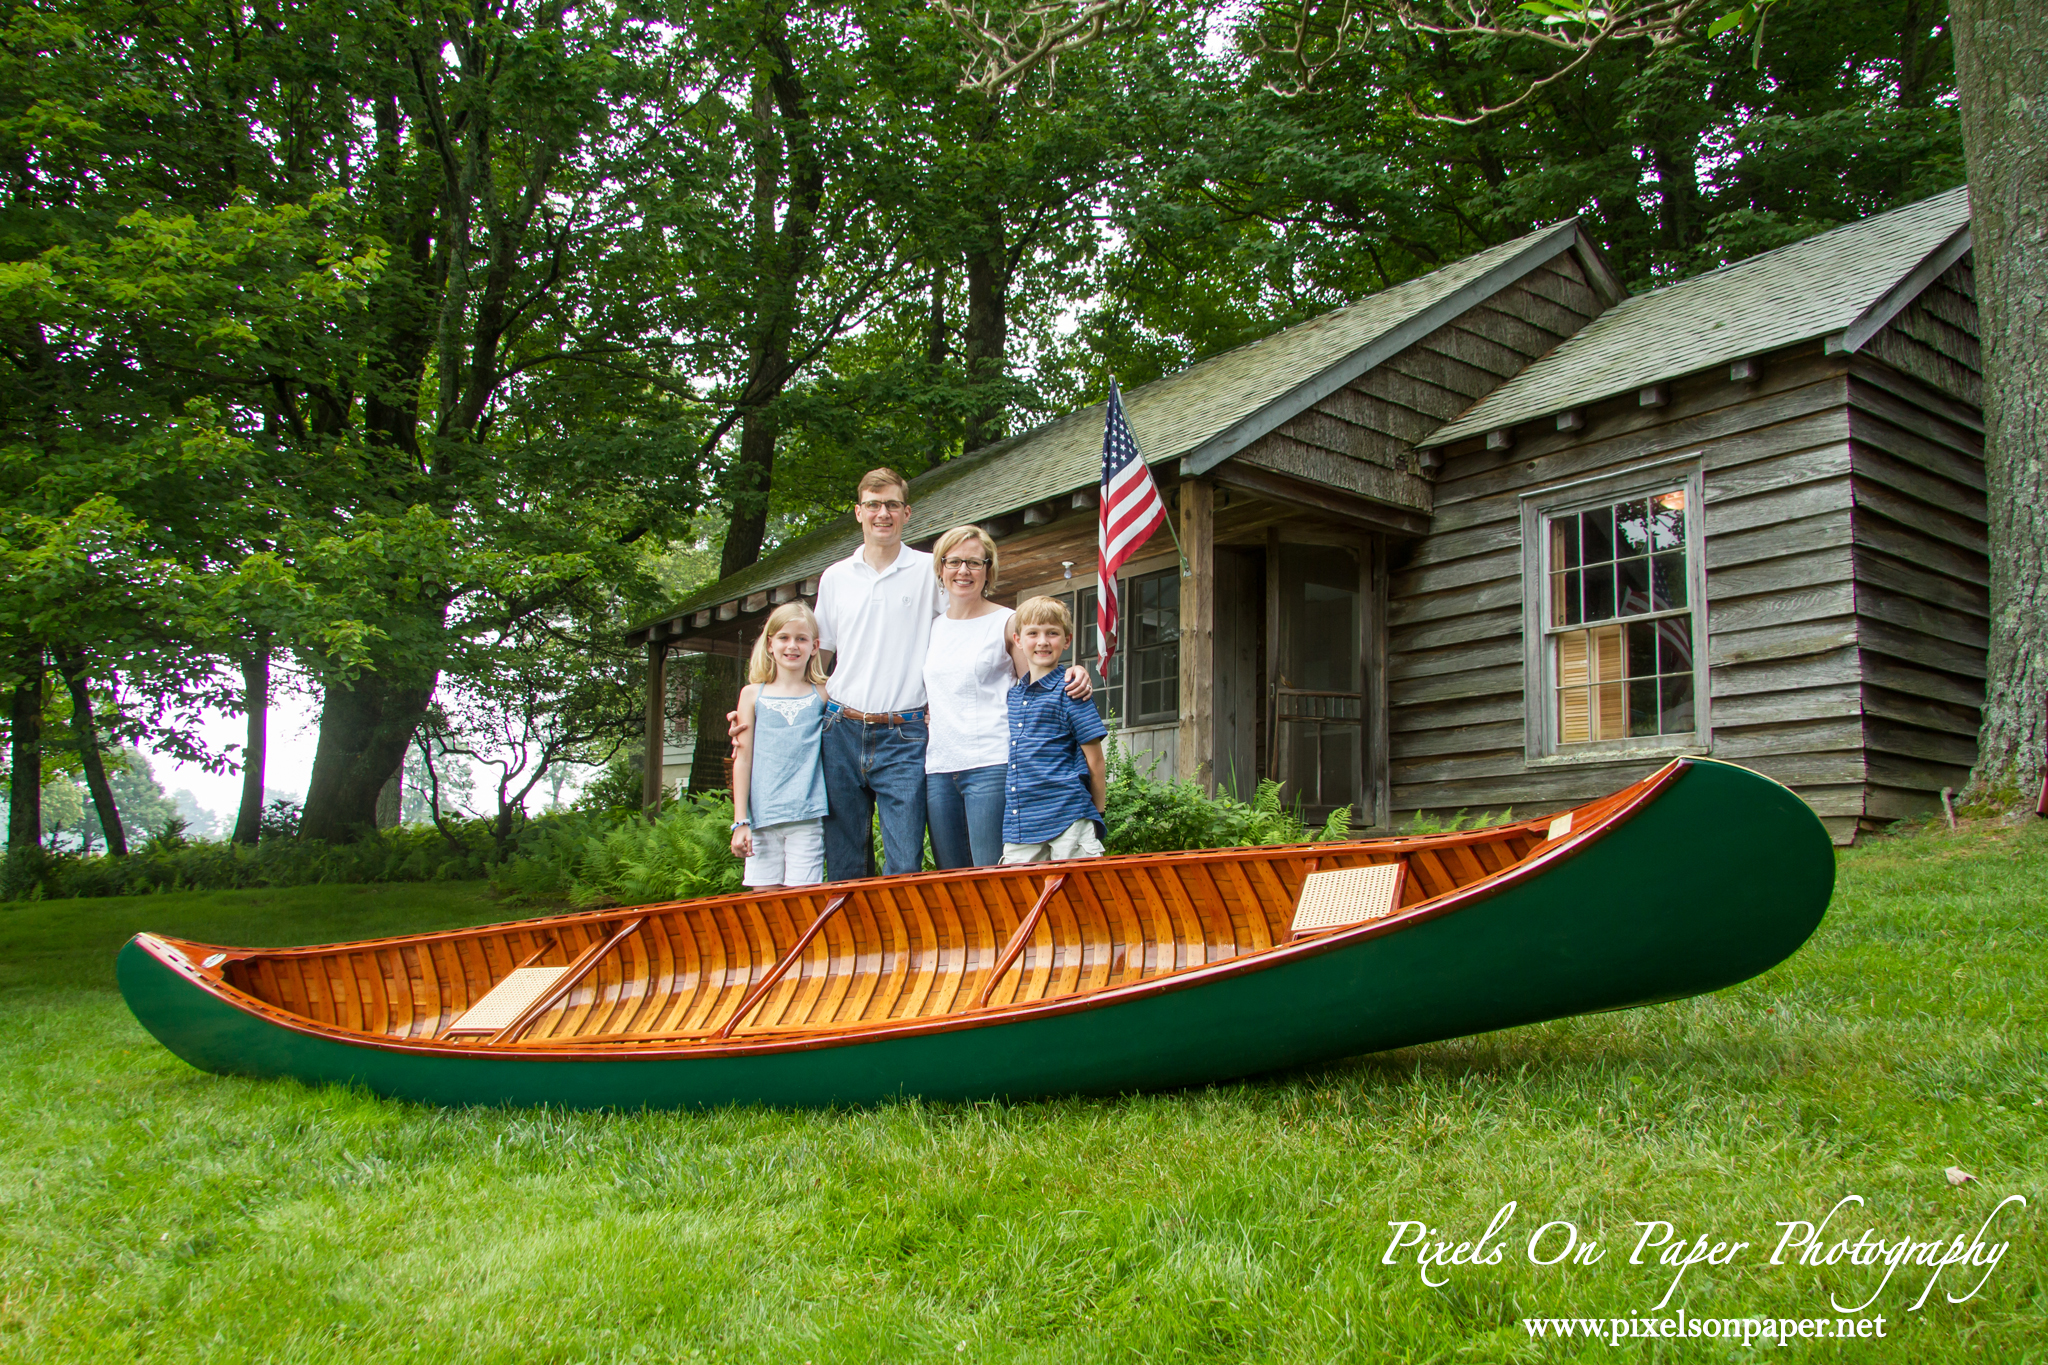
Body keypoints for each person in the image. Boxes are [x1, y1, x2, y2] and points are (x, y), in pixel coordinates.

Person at [731, 468, 1092, 882]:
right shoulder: (834, 578)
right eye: (872, 505)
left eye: (891, 506)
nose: (881, 513)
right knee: (844, 858)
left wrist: (1073, 670)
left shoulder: (931, 572)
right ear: (858, 512)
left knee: (904, 864)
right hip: (841, 727)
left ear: (907, 513)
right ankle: (858, 944)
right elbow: (814, 661)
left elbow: (993, 636)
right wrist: (764, 708)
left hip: (906, 732)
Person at [923, 524, 1025, 868]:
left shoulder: (1007, 622)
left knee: (992, 874)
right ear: (941, 569)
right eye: (953, 562)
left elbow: (1037, 685)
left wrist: (1075, 672)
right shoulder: (932, 627)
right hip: (939, 769)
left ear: (988, 571)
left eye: (973, 563)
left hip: (991, 765)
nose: (963, 571)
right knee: (951, 881)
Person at [1000, 596, 1109, 864]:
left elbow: (1095, 759)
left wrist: (1098, 811)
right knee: (1016, 895)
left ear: (1067, 640)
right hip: (1022, 822)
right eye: (1033, 633)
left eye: (1052, 633)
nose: (1043, 641)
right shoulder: (1013, 696)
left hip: (1069, 815)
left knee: (1079, 893)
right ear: (1018, 639)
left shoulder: (1071, 690)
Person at [728, 603, 829, 889]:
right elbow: (743, 759)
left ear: (814, 646)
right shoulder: (751, 695)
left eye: (801, 638)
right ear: (770, 644)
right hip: (762, 819)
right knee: (765, 905)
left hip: (806, 816)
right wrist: (740, 821)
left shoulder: (824, 693)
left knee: (803, 903)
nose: (792, 646)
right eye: (784, 638)